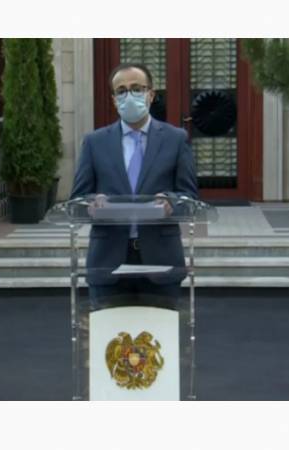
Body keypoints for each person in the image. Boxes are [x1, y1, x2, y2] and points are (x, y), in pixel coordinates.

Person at [70, 62, 198, 309]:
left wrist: (171, 202)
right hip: (107, 261)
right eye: (121, 91)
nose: (129, 96)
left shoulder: (176, 139)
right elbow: (78, 200)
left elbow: (190, 197)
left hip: (161, 261)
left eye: (137, 88)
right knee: (110, 333)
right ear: (114, 99)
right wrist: (92, 203)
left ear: (151, 94)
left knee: (159, 332)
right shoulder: (95, 142)